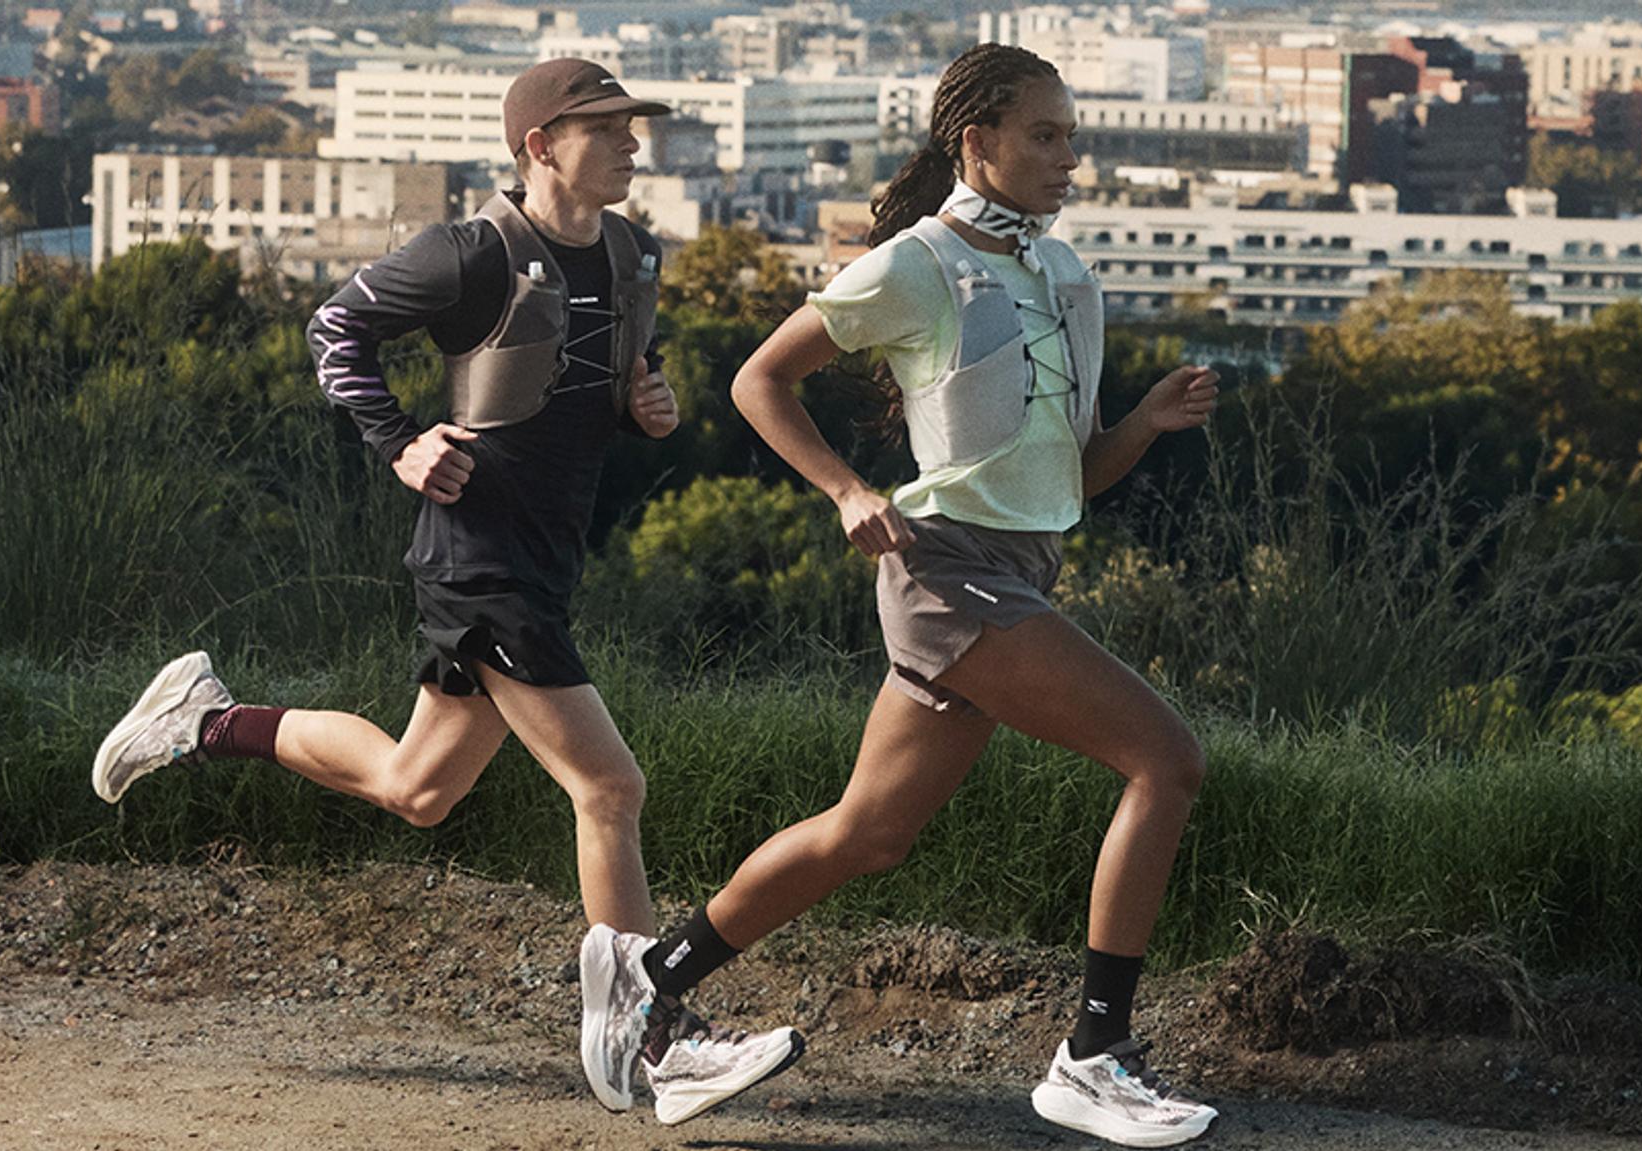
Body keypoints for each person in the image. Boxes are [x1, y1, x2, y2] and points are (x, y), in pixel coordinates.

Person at [87, 58, 799, 1118]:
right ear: (539, 144)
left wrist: (642, 400)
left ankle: (207, 717)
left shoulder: (632, 252)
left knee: (418, 789)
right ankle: (653, 1036)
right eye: (606, 128)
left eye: (631, 127)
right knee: (610, 788)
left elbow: (593, 387)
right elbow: (335, 331)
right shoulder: (467, 254)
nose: (632, 145)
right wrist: (399, 439)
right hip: (478, 559)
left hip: (543, 559)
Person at [580, 43, 1221, 1146]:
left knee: (866, 833)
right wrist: (841, 489)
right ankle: (1092, 1052)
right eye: (1047, 135)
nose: (1071, 158)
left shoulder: (1067, 278)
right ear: (977, 143)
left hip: (1016, 565)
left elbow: (1068, 481)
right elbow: (756, 379)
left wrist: (1143, 427)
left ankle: (648, 984)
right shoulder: (913, 266)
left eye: (1072, 136)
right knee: (1164, 758)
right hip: (945, 574)